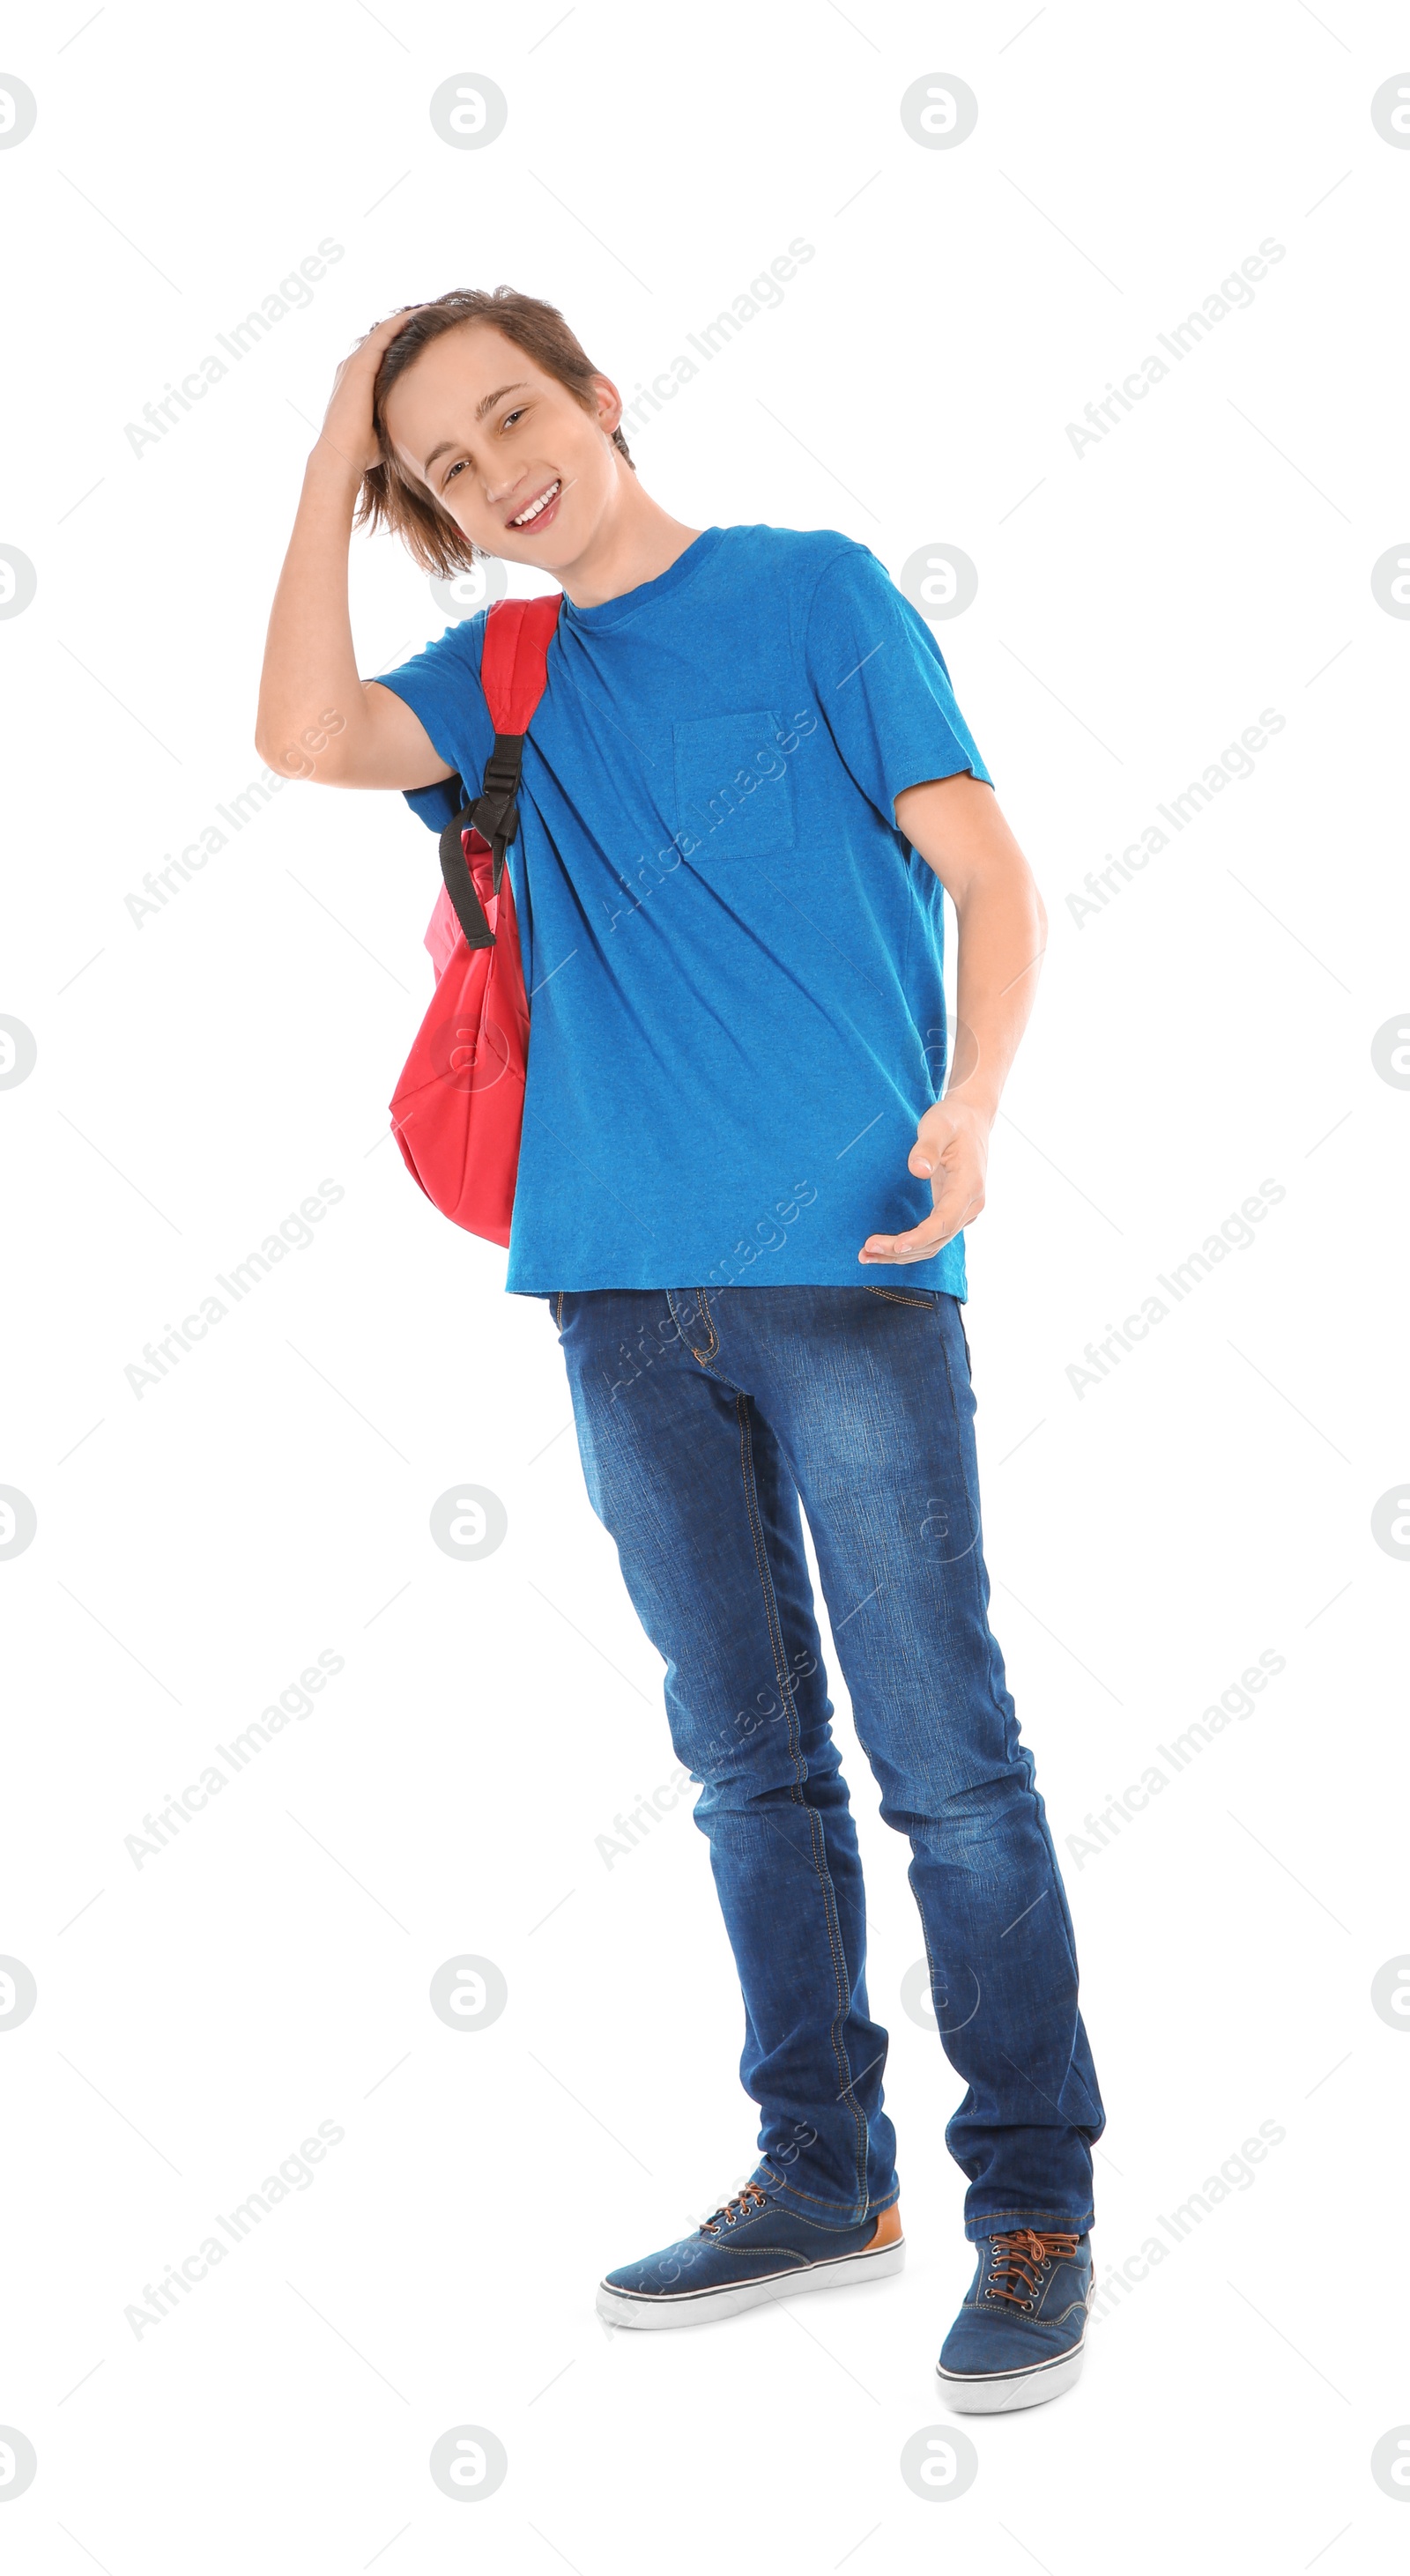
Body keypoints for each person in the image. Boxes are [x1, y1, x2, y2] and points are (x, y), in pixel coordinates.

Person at [255, 286, 1105, 2412]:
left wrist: (975, 1101)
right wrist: (314, 463)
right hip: (613, 1282)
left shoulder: (814, 596)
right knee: (744, 1762)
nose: (496, 468)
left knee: (948, 1766)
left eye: (512, 414)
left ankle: (1028, 2200)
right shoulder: (498, 675)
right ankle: (819, 2171)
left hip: (847, 1255)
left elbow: (988, 867)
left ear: (601, 397)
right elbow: (298, 735)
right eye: (441, 465)